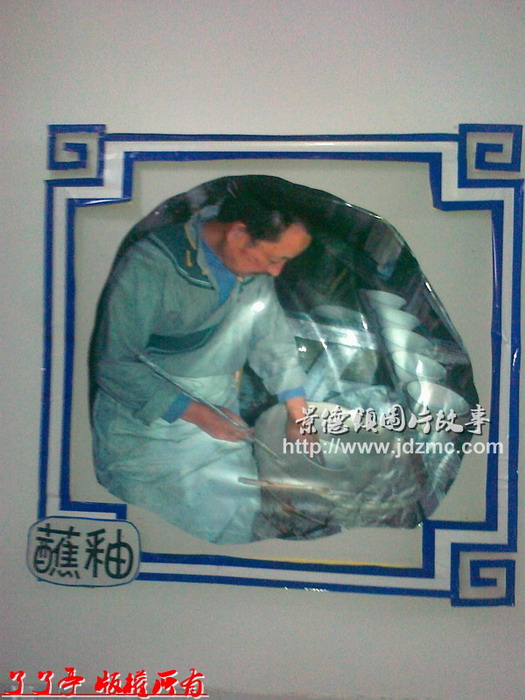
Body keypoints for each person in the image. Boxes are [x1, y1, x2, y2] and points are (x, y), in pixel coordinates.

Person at [89, 176, 328, 544]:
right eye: (274, 258)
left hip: (219, 409)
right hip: (146, 424)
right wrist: (199, 413)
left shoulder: (250, 271)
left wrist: (299, 415)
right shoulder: (151, 266)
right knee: (158, 535)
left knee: (232, 520)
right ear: (237, 235)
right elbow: (114, 364)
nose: (275, 271)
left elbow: (272, 343)